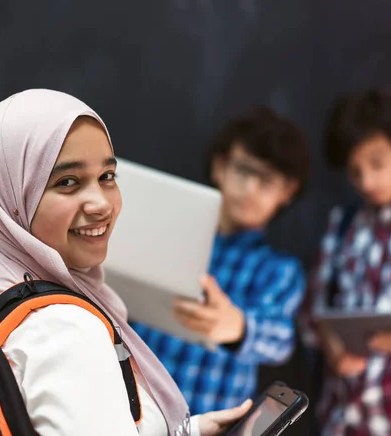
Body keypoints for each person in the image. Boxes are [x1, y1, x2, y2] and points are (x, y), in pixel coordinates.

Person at [0, 89, 252, 436]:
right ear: (9, 200)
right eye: (67, 182)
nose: (100, 203)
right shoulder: (63, 330)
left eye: (107, 176)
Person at [132, 107, 310, 414]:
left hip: (206, 423)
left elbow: (281, 338)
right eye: (243, 171)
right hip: (134, 411)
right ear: (220, 167)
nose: (250, 189)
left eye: (267, 181)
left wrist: (238, 327)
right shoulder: (168, 234)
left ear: (287, 192)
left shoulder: (279, 270)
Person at [300, 88, 391, 436]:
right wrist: (330, 342)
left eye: (377, 163)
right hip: (342, 424)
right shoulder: (344, 223)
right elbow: (312, 314)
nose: (366, 181)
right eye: (354, 171)